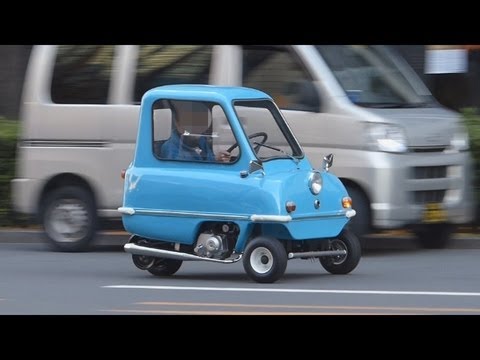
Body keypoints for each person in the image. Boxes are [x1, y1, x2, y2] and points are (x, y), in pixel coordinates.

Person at [159, 102, 231, 162]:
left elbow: (208, 160)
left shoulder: (200, 140)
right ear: (178, 124)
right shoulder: (171, 149)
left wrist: (217, 159)